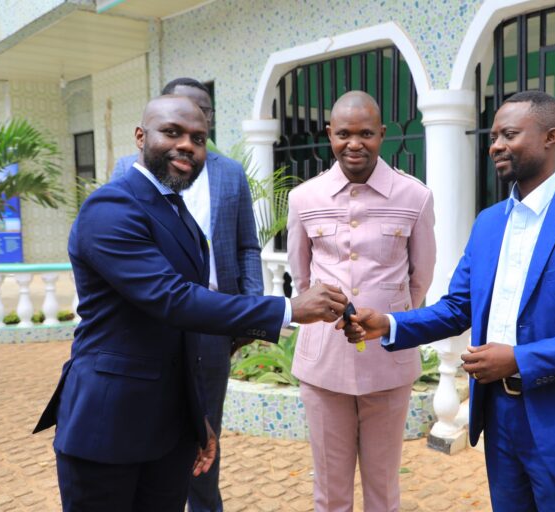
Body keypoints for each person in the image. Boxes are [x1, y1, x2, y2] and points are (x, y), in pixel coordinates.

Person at [33, 95, 347, 512]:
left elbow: (184, 336)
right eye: (172, 132)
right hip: (108, 425)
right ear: (141, 137)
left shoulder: (177, 212)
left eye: (198, 139)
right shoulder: (111, 207)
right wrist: (287, 309)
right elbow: (174, 300)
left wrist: (196, 418)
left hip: (169, 431)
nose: (187, 145)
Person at [340, 90, 555, 512]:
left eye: (509, 134)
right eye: (493, 136)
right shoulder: (488, 223)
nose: (496, 146)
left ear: (551, 137)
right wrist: (390, 325)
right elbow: (457, 308)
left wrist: (520, 359)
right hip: (499, 417)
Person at [113, 77, 260, 512]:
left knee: (206, 434)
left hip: (212, 328)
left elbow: (247, 245)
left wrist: (250, 310)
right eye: (178, 120)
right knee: (149, 431)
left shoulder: (230, 172)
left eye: (204, 117)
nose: (189, 136)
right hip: (151, 327)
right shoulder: (127, 172)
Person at [287, 90, 436, 511]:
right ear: (329, 134)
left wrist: (389, 320)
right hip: (324, 362)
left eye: (366, 133)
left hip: (388, 360)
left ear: (382, 134)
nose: (355, 144)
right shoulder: (305, 198)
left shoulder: (414, 196)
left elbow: (420, 278)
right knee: (330, 490)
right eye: (344, 134)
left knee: (383, 488)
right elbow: (302, 279)